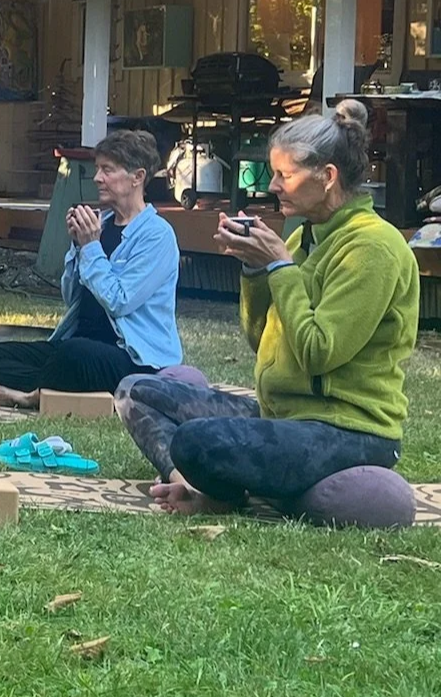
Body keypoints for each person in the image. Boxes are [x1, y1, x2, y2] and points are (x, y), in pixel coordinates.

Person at [117, 100, 419, 515]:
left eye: (285, 175)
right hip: (284, 418)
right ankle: (192, 486)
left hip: (347, 430)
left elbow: (319, 353)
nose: (273, 186)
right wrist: (254, 269)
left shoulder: (374, 247)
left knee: (195, 442)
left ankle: (220, 490)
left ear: (327, 177)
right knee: (135, 391)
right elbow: (262, 341)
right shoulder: (304, 239)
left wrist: (279, 266)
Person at [0, 129, 181, 407]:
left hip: (133, 358)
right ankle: (61, 386)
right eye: (97, 169)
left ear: (137, 177)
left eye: (107, 170)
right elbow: (71, 297)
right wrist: (78, 246)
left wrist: (91, 247)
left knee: (73, 354)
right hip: (78, 344)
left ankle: (32, 396)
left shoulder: (157, 235)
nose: (97, 178)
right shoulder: (99, 225)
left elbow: (119, 301)